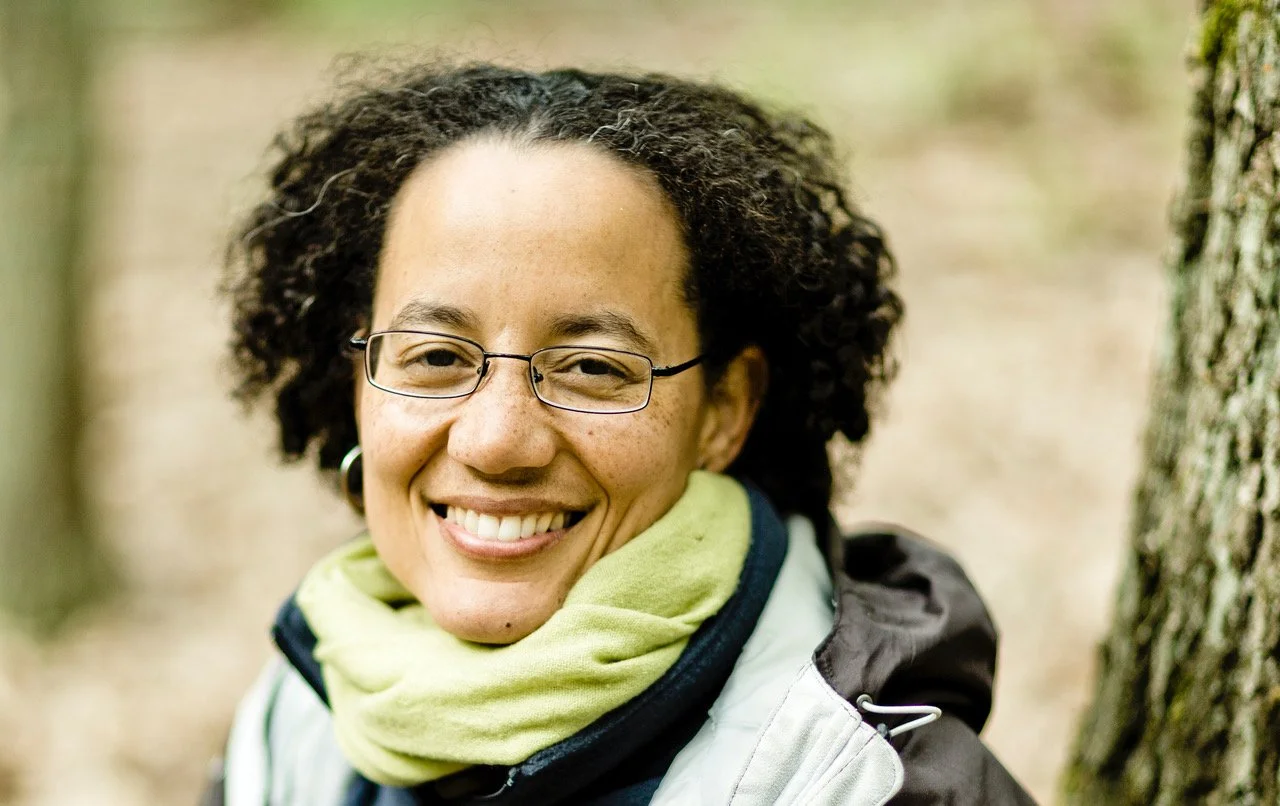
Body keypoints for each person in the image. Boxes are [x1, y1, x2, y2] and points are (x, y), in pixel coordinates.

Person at [205, 60, 1036, 805]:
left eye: (593, 368)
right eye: (435, 355)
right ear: (355, 378)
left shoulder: (858, 781)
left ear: (724, 411)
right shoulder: (301, 720)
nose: (495, 441)